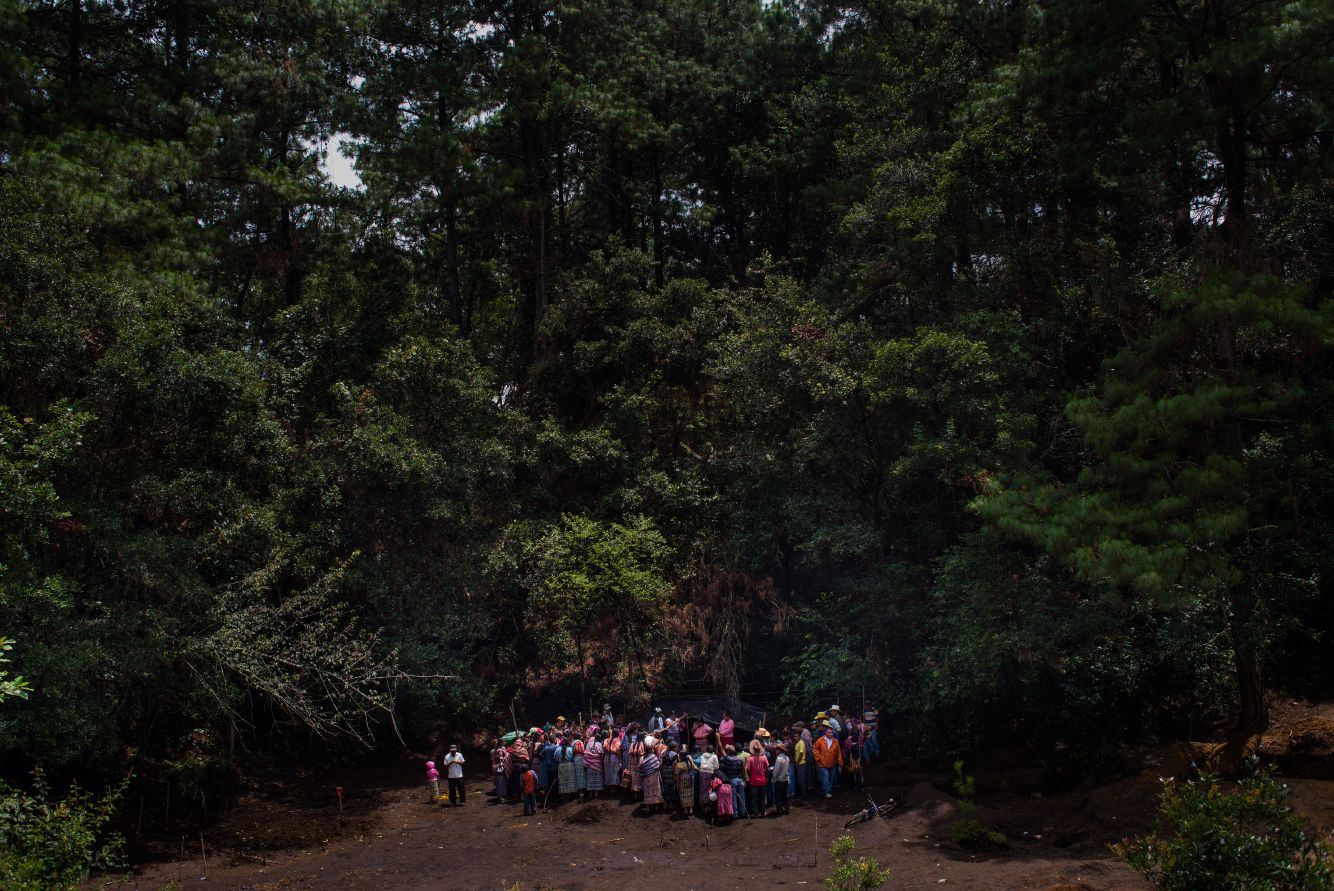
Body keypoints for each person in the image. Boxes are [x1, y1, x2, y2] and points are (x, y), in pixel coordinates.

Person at [813, 725, 844, 798]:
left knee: (831, 778)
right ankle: (826, 791)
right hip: (823, 763)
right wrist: (819, 758)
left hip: (832, 763)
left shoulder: (835, 741)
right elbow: (815, 749)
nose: (831, 734)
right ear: (826, 733)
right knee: (826, 777)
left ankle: (828, 790)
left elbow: (838, 753)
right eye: (829, 732)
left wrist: (840, 763)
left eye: (832, 732)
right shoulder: (820, 740)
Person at [718, 744, 747, 818]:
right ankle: (743, 812)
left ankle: (735, 814)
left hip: (732, 780)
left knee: (733, 797)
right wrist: (744, 780)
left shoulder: (727, 759)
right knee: (742, 797)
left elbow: (721, 750)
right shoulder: (740, 760)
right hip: (740, 779)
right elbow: (743, 771)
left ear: (728, 752)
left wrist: (718, 740)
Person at [745, 739, 769, 817]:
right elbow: (767, 768)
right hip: (762, 780)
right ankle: (763, 812)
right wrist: (766, 777)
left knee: (754, 798)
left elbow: (748, 769)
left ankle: (756, 812)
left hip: (753, 781)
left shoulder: (750, 758)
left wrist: (750, 776)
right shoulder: (764, 757)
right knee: (763, 797)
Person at [639, 736, 663, 813]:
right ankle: (656, 806)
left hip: (646, 777)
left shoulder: (642, 758)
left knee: (648, 791)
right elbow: (658, 765)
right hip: (654, 776)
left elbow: (640, 766)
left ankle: (648, 807)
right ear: (651, 750)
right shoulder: (654, 756)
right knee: (655, 790)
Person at [674, 741, 695, 816]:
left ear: (681, 756)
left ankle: (686, 810)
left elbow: (677, 775)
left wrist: (677, 784)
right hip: (690, 779)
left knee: (683, 794)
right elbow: (694, 768)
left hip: (682, 780)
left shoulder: (679, 765)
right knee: (690, 794)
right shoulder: (690, 763)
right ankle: (691, 809)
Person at [696, 741, 719, 807]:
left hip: (701, 772)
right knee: (708, 788)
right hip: (709, 772)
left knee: (702, 787)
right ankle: (707, 802)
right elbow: (716, 767)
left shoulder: (702, 755)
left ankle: (702, 802)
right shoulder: (714, 756)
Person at [772, 743, 791, 815]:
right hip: (785, 779)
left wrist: (773, 779)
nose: (775, 751)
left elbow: (776, 771)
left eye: (776, 749)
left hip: (779, 780)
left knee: (778, 796)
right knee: (785, 796)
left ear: (779, 750)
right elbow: (788, 769)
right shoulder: (787, 758)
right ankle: (787, 809)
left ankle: (779, 811)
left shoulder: (778, 759)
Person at [583, 732, 604, 797]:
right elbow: (601, 753)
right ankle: (596, 794)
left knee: (590, 779)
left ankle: (590, 794)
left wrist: (591, 757)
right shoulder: (599, 744)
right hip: (597, 764)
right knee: (597, 779)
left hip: (589, 764)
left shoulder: (588, 744)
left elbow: (585, 753)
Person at [792, 725, 809, 801]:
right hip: (799, 763)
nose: (795, 738)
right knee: (800, 780)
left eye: (796, 736)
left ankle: (804, 795)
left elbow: (801, 753)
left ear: (799, 736)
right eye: (794, 736)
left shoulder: (801, 742)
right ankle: (802, 794)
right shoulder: (797, 743)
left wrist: (798, 762)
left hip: (801, 763)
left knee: (801, 780)